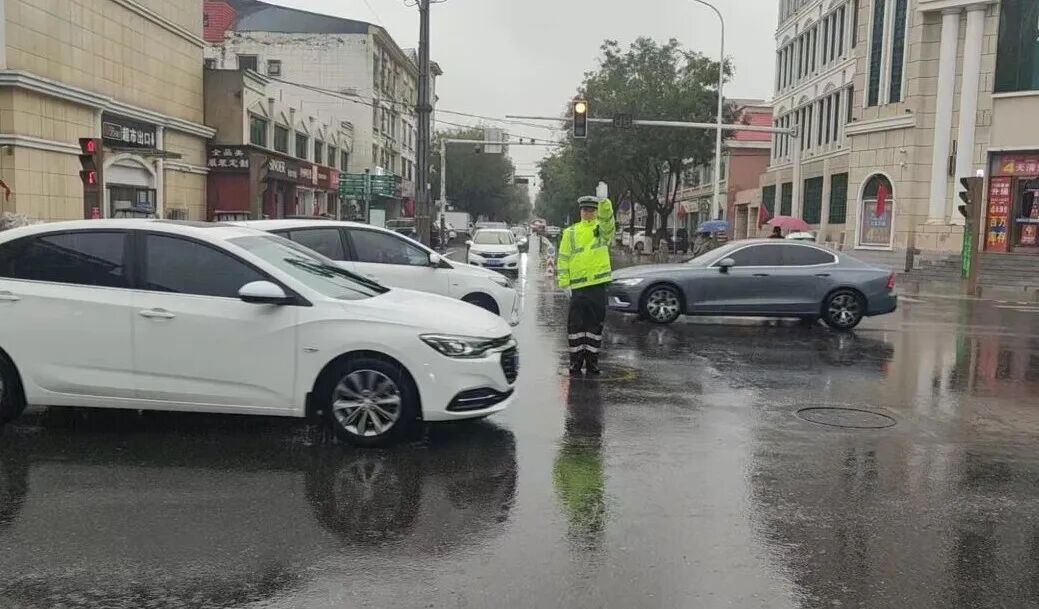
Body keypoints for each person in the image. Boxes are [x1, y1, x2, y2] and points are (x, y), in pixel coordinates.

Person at [557, 195, 615, 375]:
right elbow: (563, 258)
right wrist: (564, 283)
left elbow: (609, 222)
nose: (588, 213)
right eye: (585, 210)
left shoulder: (602, 229)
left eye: (591, 210)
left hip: (597, 286)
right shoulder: (570, 232)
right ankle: (575, 362)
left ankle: (592, 363)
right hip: (578, 288)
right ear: (580, 212)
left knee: (595, 327)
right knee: (575, 327)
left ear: (596, 212)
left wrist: (604, 203)